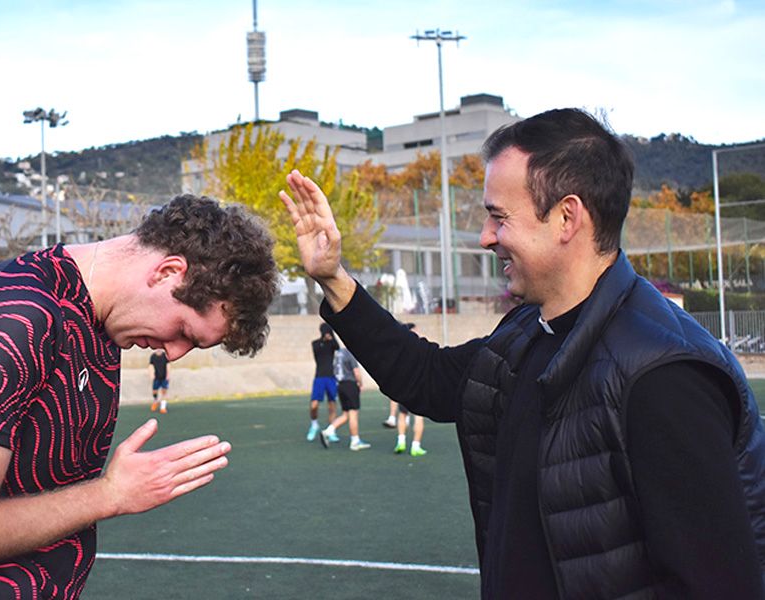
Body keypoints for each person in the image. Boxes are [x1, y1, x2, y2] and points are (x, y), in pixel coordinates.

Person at [280, 108, 765, 598]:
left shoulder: (664, 373)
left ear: (566, 217)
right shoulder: (524, 333)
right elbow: (425, 377)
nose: (486, 237)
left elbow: (717, 583)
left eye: (498, 216)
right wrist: (334, 279)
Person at [0, 194, 279, 599]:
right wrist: (111, 494)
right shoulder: (20, 315)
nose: (175, 352)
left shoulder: (105, 324)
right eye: (184, 331)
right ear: (167, 272)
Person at [319, 343, 371, 451]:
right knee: (353, 414)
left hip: (340, 385)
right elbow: (356, 372)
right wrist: (360, 383)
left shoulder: (338, 354)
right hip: (350, 384)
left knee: (346, 414)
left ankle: (329, 430)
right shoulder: (350, 354)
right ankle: (355, 441)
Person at [393, 323, 427, 457]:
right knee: (418, 416)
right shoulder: (419, 347)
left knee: (402, 414)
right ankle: (415, 446)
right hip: (418, 386)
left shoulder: (399, 350)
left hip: (404, 386)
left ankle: (401, 441)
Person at [307, 322, 339, 441]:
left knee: (332, 405)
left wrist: (332, 337)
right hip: (319, 377)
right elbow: (319, 351)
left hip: (331, 377)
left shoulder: (332, 344)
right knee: (314, 404)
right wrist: (325, 339)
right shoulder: (315, 344)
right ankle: (314, 424)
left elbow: (337, 347)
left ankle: (331, 431)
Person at [149, 348, 170, 413]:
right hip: (156, 377)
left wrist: (168, 375)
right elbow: (150, 366)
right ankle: (155, 401)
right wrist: (151, 374)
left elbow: (168, 365)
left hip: (164, 377)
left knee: (164, 392)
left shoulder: (165, 356)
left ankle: (163, 407)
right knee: (154, 391)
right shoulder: (153, 356)